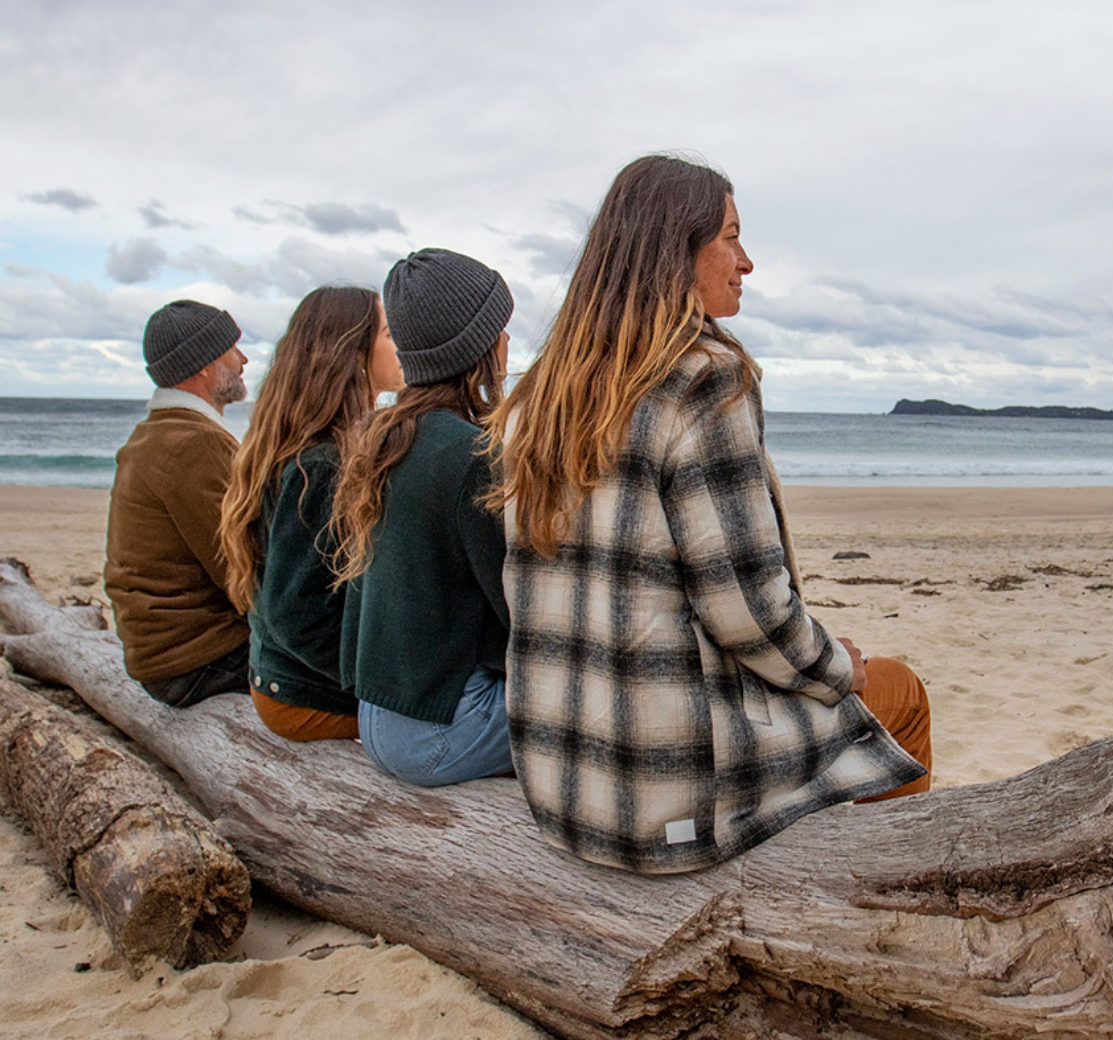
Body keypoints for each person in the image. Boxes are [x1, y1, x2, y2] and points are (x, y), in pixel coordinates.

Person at [488, 155, 932, 874]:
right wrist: (835, 669)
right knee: (897, 691)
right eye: (730, 236)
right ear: (676, 251)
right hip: (666, 798)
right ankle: (893, 889)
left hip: (564, 791)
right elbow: (749, 612)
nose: (747, 261)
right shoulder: (703, 382)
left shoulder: (539, 395)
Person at [331, 249, 513, 785]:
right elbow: (514, 605)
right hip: (438, 733)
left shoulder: (383, 437)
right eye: (500, 329)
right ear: (476, 345)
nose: (507, 343)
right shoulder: (469, 453)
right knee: (603, 715)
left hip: (377, 718)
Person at [217, 286, 403, 741]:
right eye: (386, 332)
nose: (400, 343)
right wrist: (382, 682)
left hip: (290, 682)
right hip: (303, 698)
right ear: (352, 353)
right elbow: (295, 614)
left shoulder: (320, 445)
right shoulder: (320, 462)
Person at [104, 300, 251, 707]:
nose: (243, 360)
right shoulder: (194, 443)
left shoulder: (156, 434)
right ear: (203, 366)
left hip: (166, 656)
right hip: (197, 662)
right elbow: (240, 569)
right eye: (232, 349)